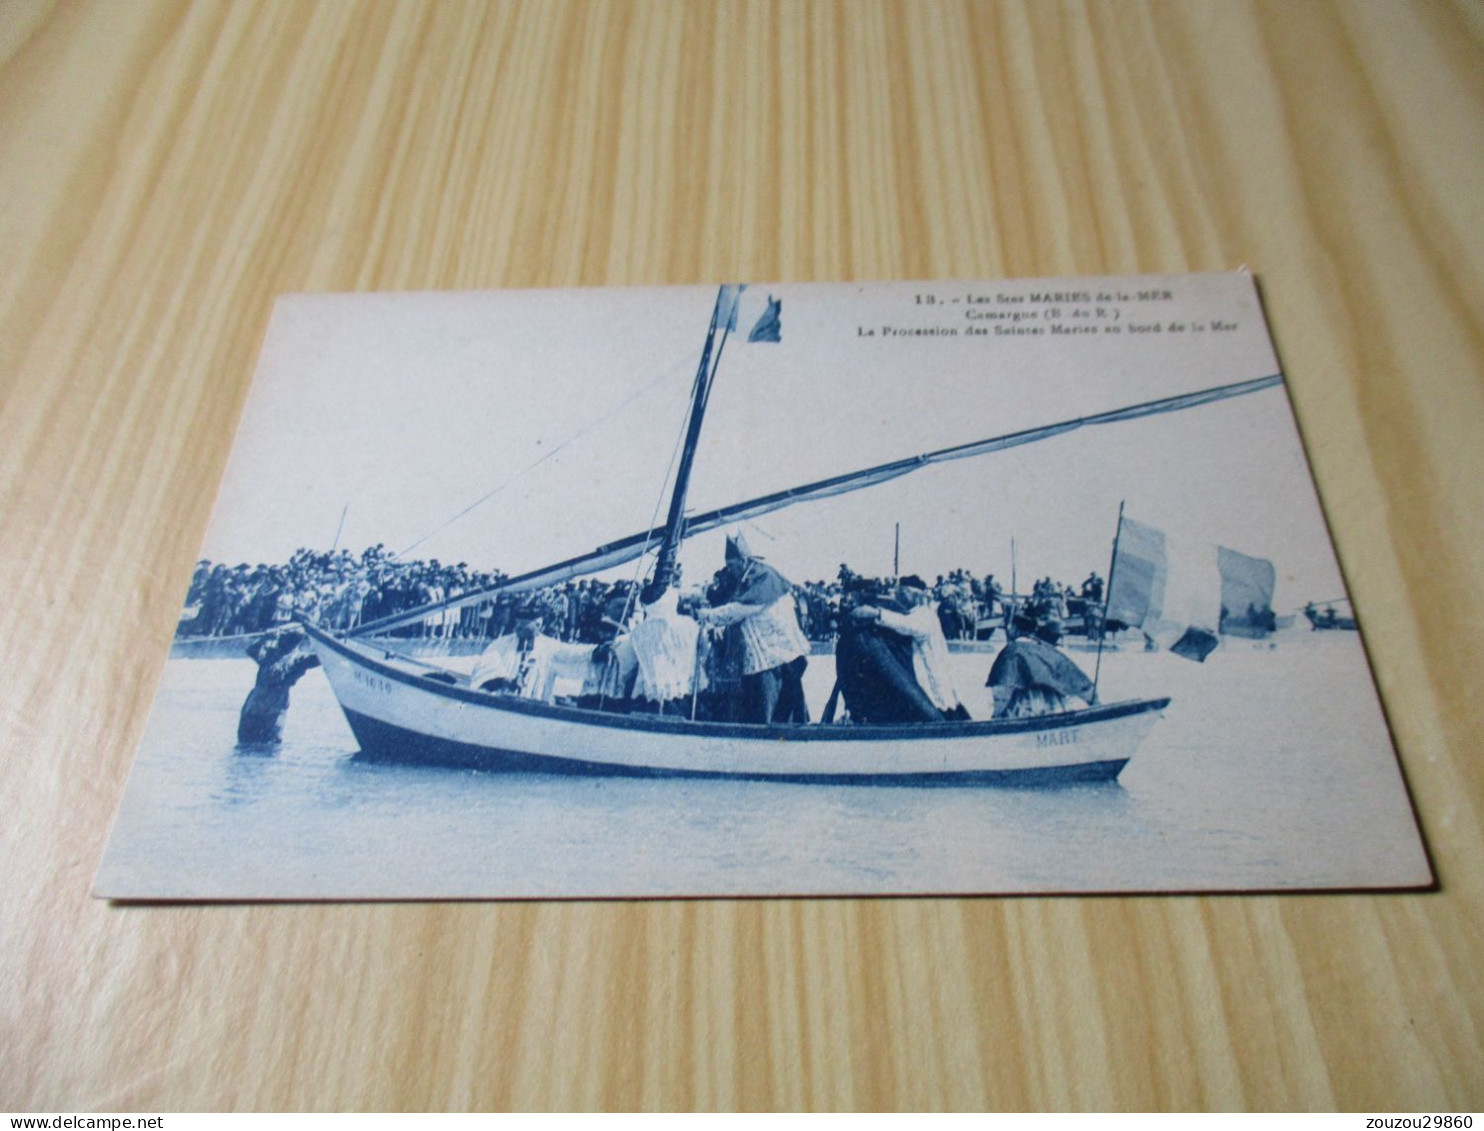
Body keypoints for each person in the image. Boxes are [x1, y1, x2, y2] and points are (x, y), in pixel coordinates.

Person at [698, 533, 810, 724]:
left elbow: (742, 609)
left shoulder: (763, 576)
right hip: (772, 655)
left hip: (773, 656)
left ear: (743, 560)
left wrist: (707, 615)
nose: (730, 570)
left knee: (769, 707)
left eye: (732, 565)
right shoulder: (749, 575)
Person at [844, 575, 969, 722]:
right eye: (898, 593)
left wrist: (877, 613)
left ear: (916, 595)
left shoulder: (925, 615)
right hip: (922, 679)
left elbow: (908, 625)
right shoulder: (912, 614)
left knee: (940, 704)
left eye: (903, 593)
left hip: (933, 676)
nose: (899, 597)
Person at [468, 607, 598, 703]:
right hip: (503, 703)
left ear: (538, 625)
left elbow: (573, 654)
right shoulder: (501, 643)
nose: (517, 627)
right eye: (517, 622)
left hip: (536, 705)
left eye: (523, 624)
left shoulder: (550, 647)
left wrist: (595, 651)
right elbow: (486, 666)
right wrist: (506, 682)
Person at [985, 622, 1095, 718]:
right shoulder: (1049, 650)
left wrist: (997, 714)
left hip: (1026, 712)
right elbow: (1075, 679)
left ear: (1014, 629)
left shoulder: (1012, 650)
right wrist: (1093, 701)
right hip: (1056, 711)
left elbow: (1002, 687)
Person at [628, 581, 706, 715]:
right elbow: (703, 649)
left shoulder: (638, 631)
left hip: (652, 685)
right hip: (683, 681)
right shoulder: (688, 624)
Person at [237, 628, 321, 744]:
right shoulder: (272, 653)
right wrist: (265, 638)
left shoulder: (296, 659)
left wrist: (265, 639)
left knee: (263, 744)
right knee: (259, 744)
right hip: (262, 706)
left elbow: (320, 658)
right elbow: (251, 650)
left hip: (267, 706)